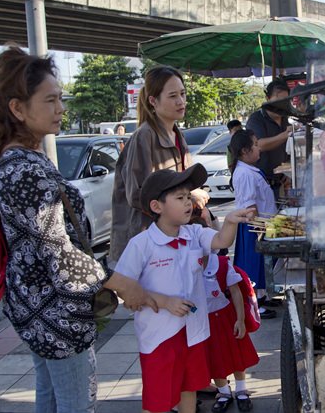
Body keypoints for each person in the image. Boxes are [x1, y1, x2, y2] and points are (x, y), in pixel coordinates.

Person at [0, 45, 155, 413]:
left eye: (60, 99)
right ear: (18, 109)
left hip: (37, 307)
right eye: (50, 100)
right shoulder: (24, 168)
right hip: (55, 313)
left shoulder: (18, 158)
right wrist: (121, 283)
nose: (61, 109)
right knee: (76, 403)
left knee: (52, 399)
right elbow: (59, 253)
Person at [114, 164, 254, 413]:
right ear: (157, 207)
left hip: (195, 332)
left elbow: (221, 241)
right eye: (180, 198)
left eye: (189, 196)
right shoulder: (142, 244)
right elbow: (122, 286)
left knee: (189, 389)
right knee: (159, 400)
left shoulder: (194, 233)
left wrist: (231, 221)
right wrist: (163, 300)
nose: (188, 203)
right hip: (161, 337)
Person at [111, 65, 192, 262]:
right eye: (173, 96)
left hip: (171, 236)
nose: (181, 101)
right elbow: (137, 194)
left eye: (182, 94)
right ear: (153, 101)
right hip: (146, 241)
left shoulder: (177, 134)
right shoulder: (144, 136)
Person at [229, 129, 278, 320]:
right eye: (255, 145)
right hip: (254, 226)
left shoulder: (249, 169)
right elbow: (250, 207)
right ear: (244, 151)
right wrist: (261, 226)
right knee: (253, 264)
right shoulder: (244, 173)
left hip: (263, 224)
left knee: (263, 264)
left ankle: (262, 297)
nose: (259, 148)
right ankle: (253, 303)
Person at [202, 253, 259, 413]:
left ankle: (241, 390)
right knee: (214, 357)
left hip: (227, 316)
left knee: (236, 355)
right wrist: (194, 312)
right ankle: (223, 392)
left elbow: (236, 292)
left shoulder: (220, 263)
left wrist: (240, 320)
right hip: (204, 320)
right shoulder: (185, 265)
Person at [245, 79, 292, 201]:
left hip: (282, 181)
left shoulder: (285, 118)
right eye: (277, 100)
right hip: (262, 183)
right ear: (267, 98)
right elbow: (259, 145)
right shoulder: (256, 119)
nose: (281, 104)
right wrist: (285, 134)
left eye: (285, 101)